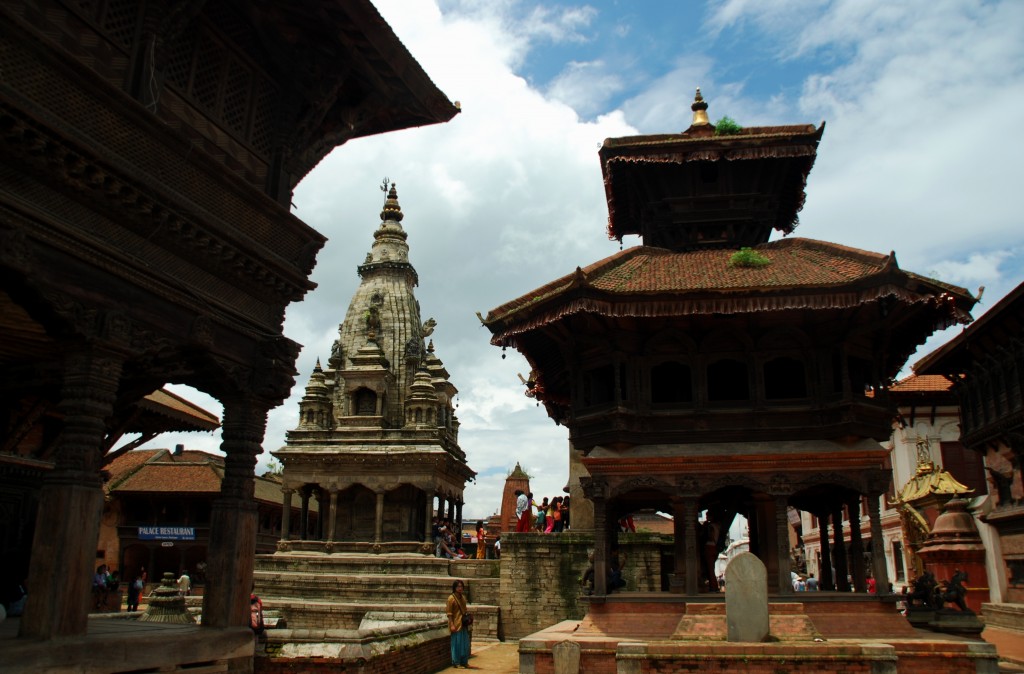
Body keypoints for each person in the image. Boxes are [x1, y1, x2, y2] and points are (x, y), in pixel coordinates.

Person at [446, 580, 471, 669]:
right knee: (456, 644)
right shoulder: (451, 598)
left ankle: (464, 661)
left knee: (464, 644)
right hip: (456, 625)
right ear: (455, 588)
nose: (460, 588)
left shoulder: (463, 598)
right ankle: (456, 662)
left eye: (461, 586)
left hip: (463, 624)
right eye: (458, 586)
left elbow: (465, 610)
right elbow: (449, 614)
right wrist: (451, 625)